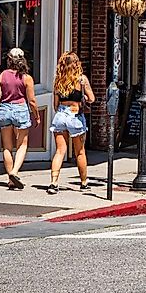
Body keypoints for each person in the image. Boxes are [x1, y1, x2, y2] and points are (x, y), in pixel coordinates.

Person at [0, 49, 39, 189]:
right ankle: (14, 172)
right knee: (22, 144)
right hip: (20, 109)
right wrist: (37, 116)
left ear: (9, 60)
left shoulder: (2, 75)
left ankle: (10, 179)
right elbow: (32, 100)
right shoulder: (26, 78)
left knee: (7, 147)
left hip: (4, 109)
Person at [48, 51, 95, 194]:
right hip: (75, 115)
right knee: (79, 152)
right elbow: (91, 98)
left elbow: (55, 105)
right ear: (76, 64)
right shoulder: (81, 80)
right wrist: (83, 99)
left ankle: (54, 182)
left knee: (60, 151)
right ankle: (84, 182)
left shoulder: (58, 80)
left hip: (61, 115)